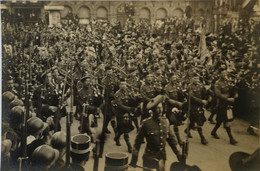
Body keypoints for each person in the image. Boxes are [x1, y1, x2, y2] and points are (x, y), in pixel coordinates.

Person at [130, 95, 182, 171]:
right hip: (149, 158)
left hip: (162, 158)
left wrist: (179, 154)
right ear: (153, 110)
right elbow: (137, 143)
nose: (160, 110)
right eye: (157, 108)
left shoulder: (165, 121)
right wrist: (133, 161)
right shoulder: (146, 123)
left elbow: (172, 140)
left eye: (161, 108)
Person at [211, 70, 239, 145]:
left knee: (219, 120)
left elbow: (233, 88)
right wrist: (227, 99)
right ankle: (231, 138)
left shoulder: (227, 81)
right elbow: (218, 94)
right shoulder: (217, 84)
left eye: (226, 74)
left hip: (227, 104)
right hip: (221, 104)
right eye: (223, 74)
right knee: (226, 121)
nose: (225, 75)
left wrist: (236, 94)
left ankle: (213, 132)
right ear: (220, 75)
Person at [184, 76, 209, 145]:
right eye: (196, 79)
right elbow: (192, 97)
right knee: (198, 122)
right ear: (192, 80)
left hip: (200, 106)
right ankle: (202, 138)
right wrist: (201, 101)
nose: (197, 80)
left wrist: (207, 90)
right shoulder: (190, 87)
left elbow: (203, 94)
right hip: (193, 107)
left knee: (200, 120)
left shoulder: (199, 86)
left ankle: (187, 130)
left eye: (198, 79)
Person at [77, 75, 103, 141]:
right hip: (84, 112)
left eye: (89, 80)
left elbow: (97, 100)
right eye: (86, 81)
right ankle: (82, 139)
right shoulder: (80, 92)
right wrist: (94, 108)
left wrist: (99, 96)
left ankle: (90, 137)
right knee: (83, 127)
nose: (88, 82)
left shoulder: (93, 90)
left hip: (92, 112)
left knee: (91, 126)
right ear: (83, 83)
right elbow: (82, 104)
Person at [112, 81, 136, 152]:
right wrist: (130, 109)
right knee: (125, 130)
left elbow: (132, 100)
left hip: (128, 113)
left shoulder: (128, 92)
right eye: (122, 84)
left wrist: (134, 97)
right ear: (119, 85)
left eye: (125, 84)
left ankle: (117, 137)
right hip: (120, 114)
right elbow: (120, 105)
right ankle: (129, 146)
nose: (123, 86)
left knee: (127, 128)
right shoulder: (117, 94)